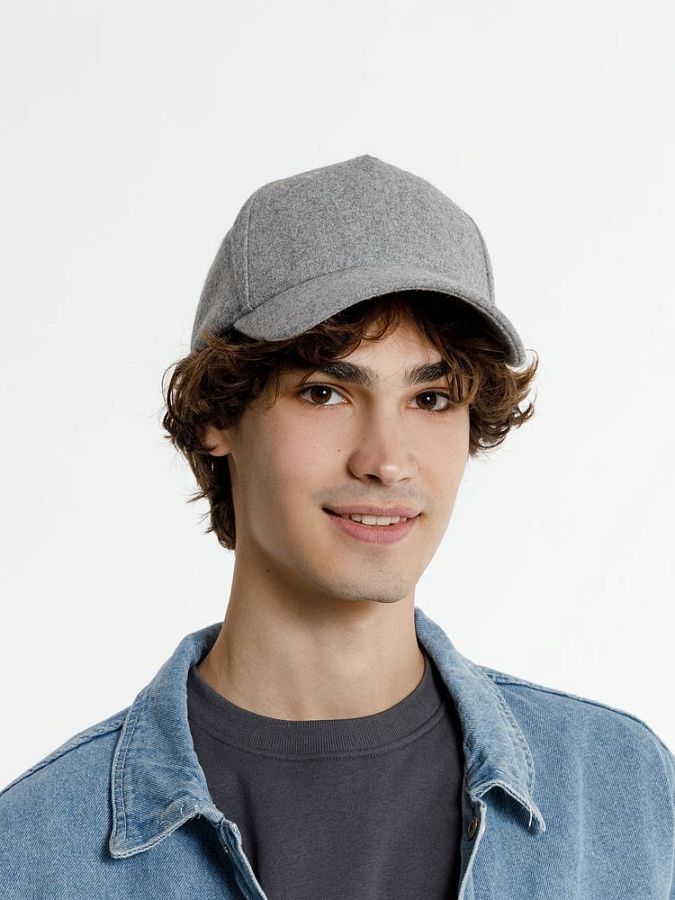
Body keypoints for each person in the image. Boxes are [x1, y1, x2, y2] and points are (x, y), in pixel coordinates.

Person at [0, 154, 672, 900]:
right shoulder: (37, 849)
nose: (386, 461)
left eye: (431, 399)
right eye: (325, 392)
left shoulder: (622, 790)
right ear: (219, 414)